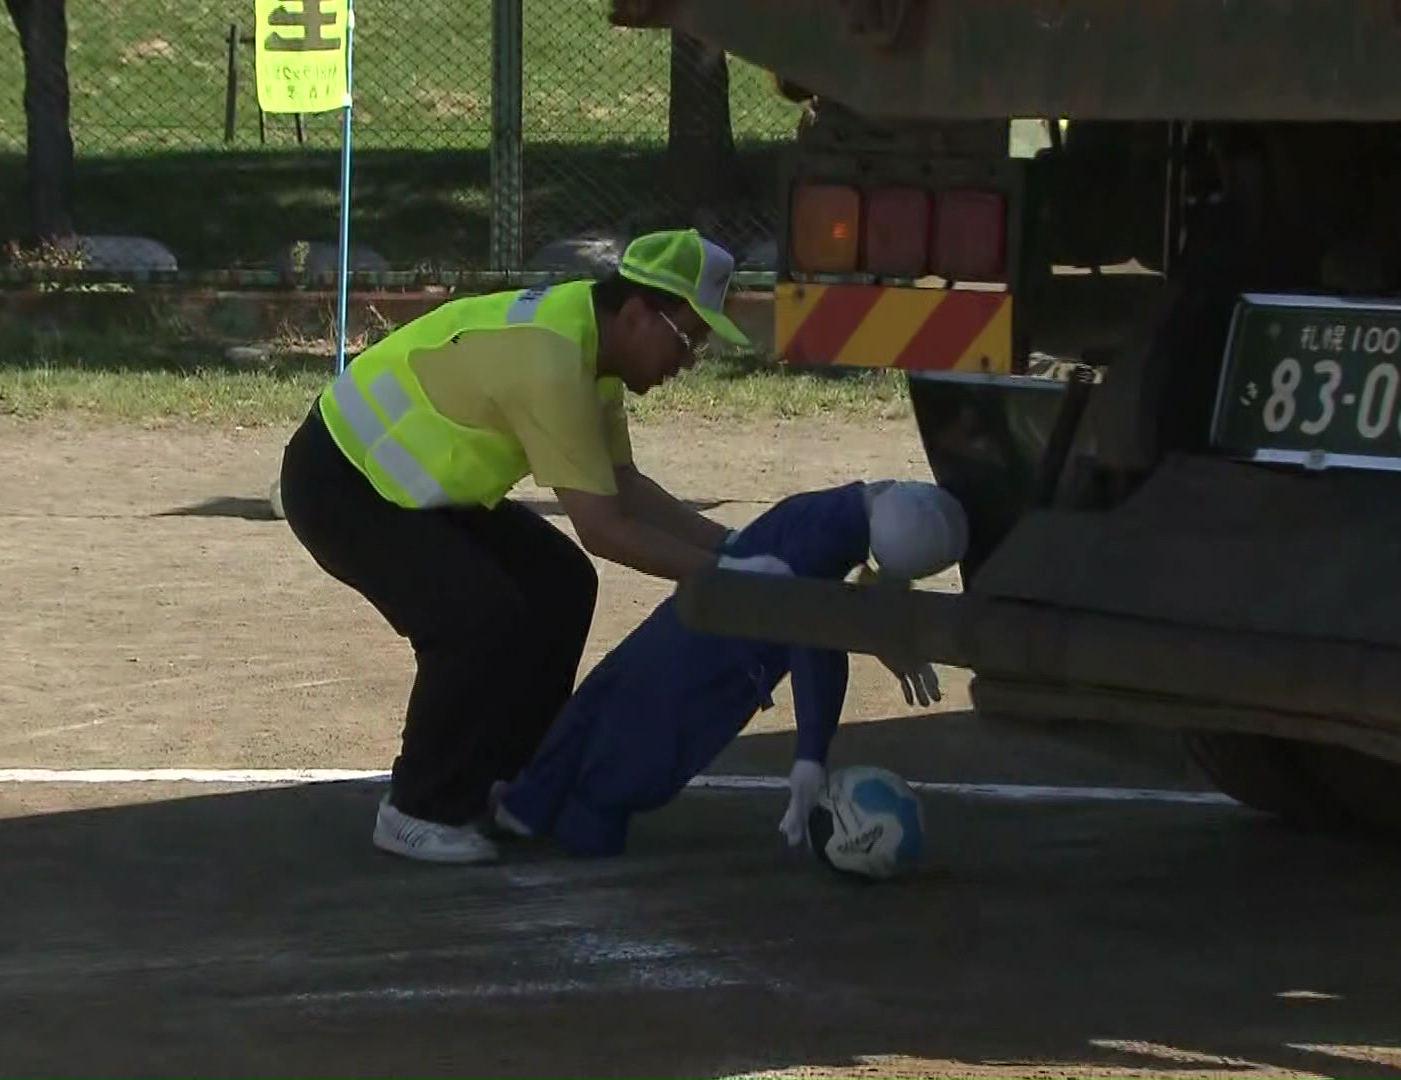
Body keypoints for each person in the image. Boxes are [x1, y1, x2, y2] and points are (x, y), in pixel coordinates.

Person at [277, 228, 788, 865]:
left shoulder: (590, 346)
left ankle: (516, 782)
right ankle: (418, 809)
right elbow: (603, 528)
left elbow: (624, 489)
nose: (687, 361)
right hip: (340, 483)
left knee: (561, 581)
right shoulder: (553, 358)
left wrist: (740, 548)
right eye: (688, 339)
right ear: (635, 313)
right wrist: (730, 576)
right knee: (476, 616)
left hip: (410, 488)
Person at [488, 479, 969, 858]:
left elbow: (845, 605)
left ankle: (528, 805)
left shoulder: (842, 509)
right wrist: (809, 756)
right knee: (641, 755)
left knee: (604, 704)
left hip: (685, 633)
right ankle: (573, 822)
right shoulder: (818, 548)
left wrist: (882, 634)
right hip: (716, 666)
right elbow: (818, 644)